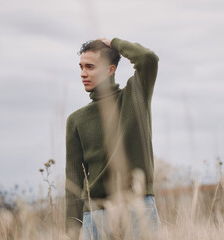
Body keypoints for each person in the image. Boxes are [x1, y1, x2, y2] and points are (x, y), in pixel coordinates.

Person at [65, 38, 160, 240]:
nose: (83, 73)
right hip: (96, 215)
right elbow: (73, 181)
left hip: (137, 207)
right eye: (81, 67)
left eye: (90, 66)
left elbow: (148, 59)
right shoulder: (76, 120)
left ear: (110, 70)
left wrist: (114, 43)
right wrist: (71, 231)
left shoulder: (135, 97)